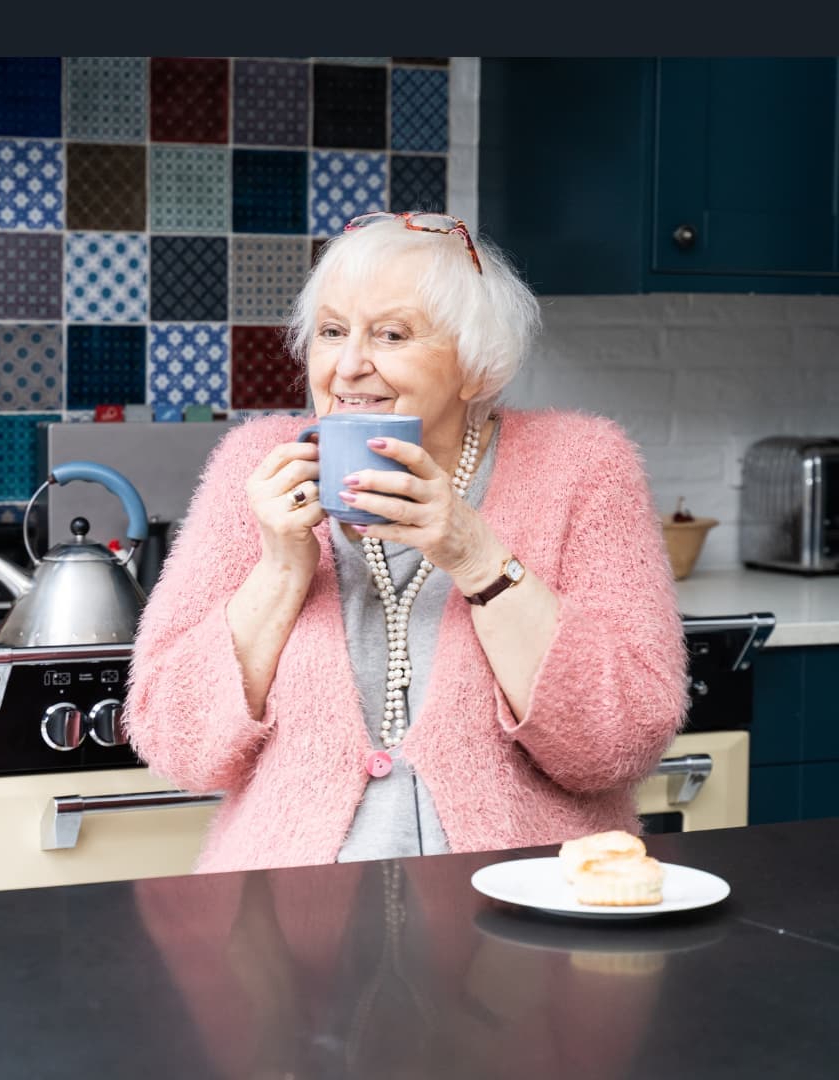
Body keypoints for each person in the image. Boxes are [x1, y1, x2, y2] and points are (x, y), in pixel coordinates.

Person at [124, 210, 687, 874]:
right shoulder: (255, 466)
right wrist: (280, 570)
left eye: (391, 335)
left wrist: (476, 556)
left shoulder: (583, 465)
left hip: (522, 911)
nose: (349, 366)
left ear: (475, 367)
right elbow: (174, 742)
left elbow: (619, 742)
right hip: (284, 922)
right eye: (332, 332)